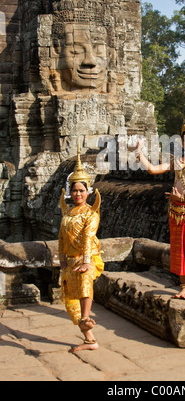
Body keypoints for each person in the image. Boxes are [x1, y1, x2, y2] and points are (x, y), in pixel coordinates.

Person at [135, 101, 185, 300]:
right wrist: (138, 153)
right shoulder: (177, 160)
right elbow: (153, 169)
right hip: (176, 210)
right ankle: (184, 285)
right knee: (178, 248)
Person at [58, 143, 104, 352]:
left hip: (87, 259)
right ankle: (89, 339)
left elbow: (88, 237)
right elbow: (61, 237)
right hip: (70, 261)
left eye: (81, 190)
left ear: (88, 192)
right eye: (74, 191)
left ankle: (86, 318)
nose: (78, 194)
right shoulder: (68, 214)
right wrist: (61, 257)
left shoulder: (90, 214)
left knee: (86, 283)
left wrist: (87, 262)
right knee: (70, 304)